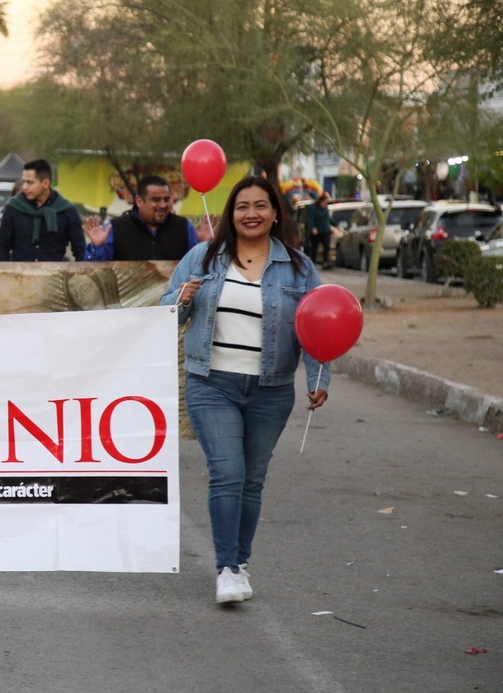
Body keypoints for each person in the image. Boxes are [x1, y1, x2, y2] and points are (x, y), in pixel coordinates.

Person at [159, 174, 328, 605]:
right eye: (241, 207)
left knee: (252, 481)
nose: (250, 214)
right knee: (228, 473)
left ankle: (241, 562)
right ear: (230, 214)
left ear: (275, 214)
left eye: (260, 206)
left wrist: (318, 380)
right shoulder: (203, 257)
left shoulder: (299, 267)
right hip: (211, 384)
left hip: (271, 390)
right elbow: (166, 315)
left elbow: (320, 326)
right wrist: (180, 298)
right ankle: (228, 569)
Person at [85, 174, 198, 261]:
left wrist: (206, 244)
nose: (163, 205)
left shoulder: (184, 227)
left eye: (166, 199)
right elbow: (95, 273)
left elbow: (198, 267)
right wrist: (98, 247)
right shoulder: (114, 228)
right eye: (156, 200)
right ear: (139, 201)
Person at [0, 159, 85, 262]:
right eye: (24, 181)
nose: (24, 187)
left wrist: (77, 276)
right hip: (20, 275)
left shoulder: (67, 210)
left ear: (45, 183)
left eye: (30, 183)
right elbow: (2, 247)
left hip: (55, 275)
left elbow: (80, 249)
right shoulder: (14, 207)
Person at [305, 192, 333, 269]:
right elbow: (310, 219)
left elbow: (328, 219)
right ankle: (312, 262)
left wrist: (335, 226)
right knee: (315, 247)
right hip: (316, 232)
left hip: (325, 230)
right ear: (321, 201)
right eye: (324, 202)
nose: (325, 203)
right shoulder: (314, 208)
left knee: (326, 246)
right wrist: (313, 227)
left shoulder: (325, 209)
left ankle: (325, 262)